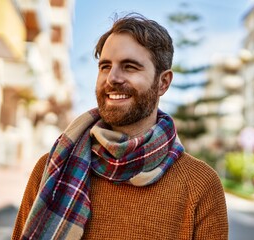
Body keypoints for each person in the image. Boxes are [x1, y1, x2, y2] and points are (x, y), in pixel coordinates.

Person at [12, 13, 228, 240]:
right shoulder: (53, 169)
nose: (112, 78)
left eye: (130, 67)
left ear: (163, 82)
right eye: (105, 66)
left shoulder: (201, 185)